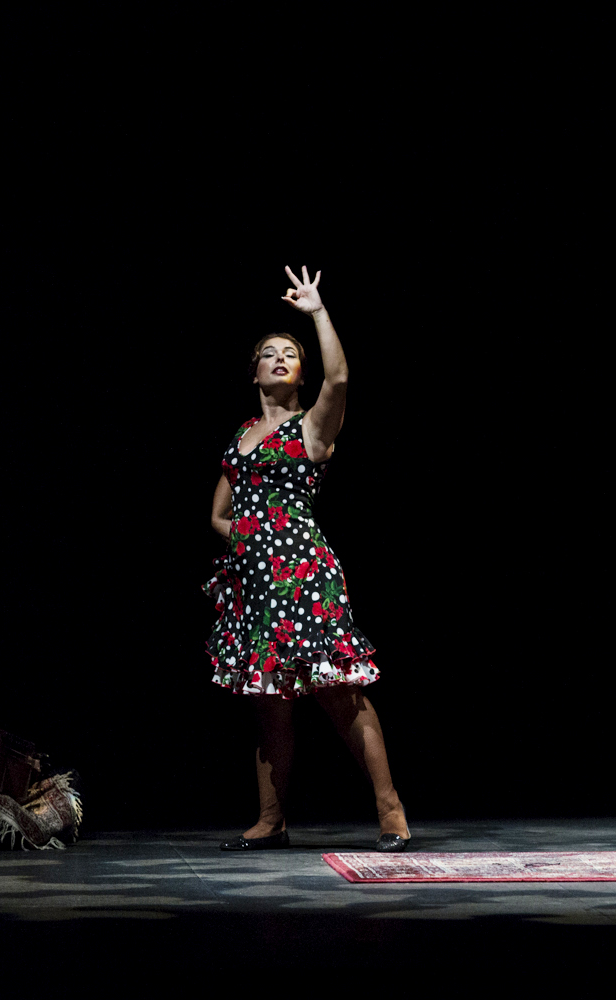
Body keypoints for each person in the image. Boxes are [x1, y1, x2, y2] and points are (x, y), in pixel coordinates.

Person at [203, 265, 409, 853]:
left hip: (302, 577)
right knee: (268, 702)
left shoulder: (310, 428)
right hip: (254, 584)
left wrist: (316, 313)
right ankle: (271, 821)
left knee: (338, 691)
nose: (278, 359)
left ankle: (390, 810)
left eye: (289, 354)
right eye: (268, 354)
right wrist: (246, 545)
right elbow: (218, 515)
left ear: (300, 372)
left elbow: (339, 377)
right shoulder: (242, 436)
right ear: (253, 372)